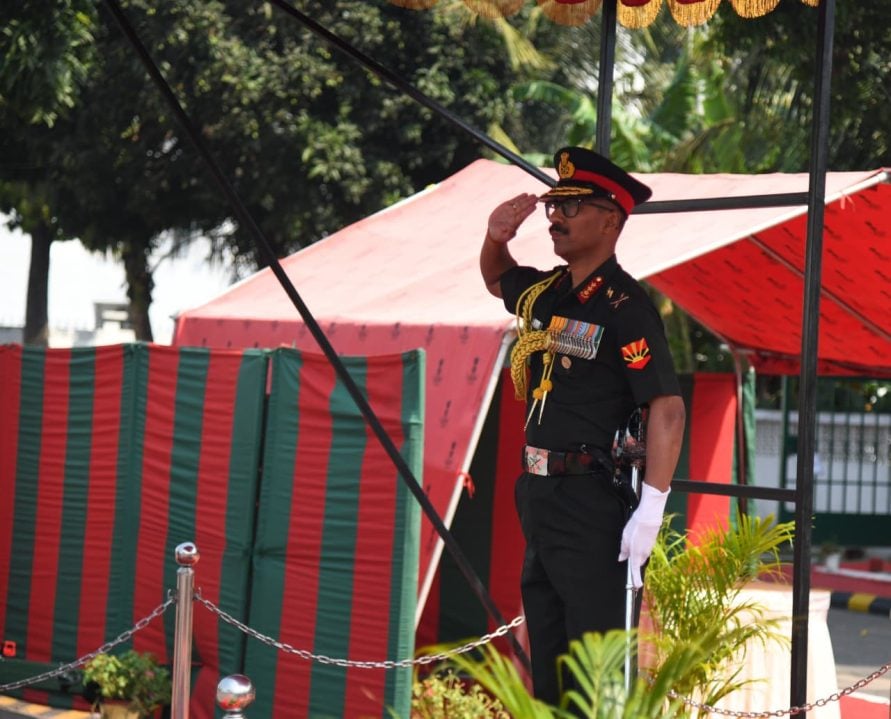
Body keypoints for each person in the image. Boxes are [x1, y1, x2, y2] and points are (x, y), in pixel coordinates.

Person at [479, 146, 686, 704]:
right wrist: (496, 237)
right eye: (554, 206)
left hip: (593, 503)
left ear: (610, 219)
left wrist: (653, 508)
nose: (556, 218)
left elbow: (667, 408)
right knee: (549, 663)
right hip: (542, 495)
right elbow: (497, 279)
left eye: (572, 207)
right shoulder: (550, 291)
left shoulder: (625, 307)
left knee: (594, 673)